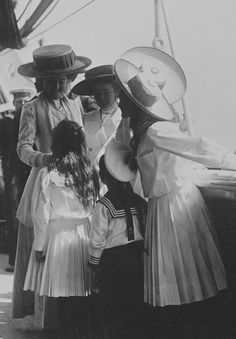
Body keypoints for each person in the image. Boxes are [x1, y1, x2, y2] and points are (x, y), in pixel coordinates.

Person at [114, 46, 236, 336]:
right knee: (174, 274)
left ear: (136, 104)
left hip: (175, 206)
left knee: (183, 273)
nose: (120, 103)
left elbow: (198, 147)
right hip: (161, 205)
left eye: (124, 99)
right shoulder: (141, 133)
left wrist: (231, 161)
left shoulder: (157, 131)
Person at [11, 44, 91, 329]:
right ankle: (46, 320)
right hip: (45, 179)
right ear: (40, 81)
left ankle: (73, 317)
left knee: (70, 249)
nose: (58, 85)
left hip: (75, 182)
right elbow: (22, 147)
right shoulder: (33, 107)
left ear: (70, 79)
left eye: (63, 79)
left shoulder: (76, 103)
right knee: (43, 249)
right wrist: (43, 158)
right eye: (51, 80)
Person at [24, 120, 99, 339]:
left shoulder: (49, 172)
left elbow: (42, 213)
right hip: (83, 234)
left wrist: (39, 245)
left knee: (62, 292)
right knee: (82, 292)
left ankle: (67, 333)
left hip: (58, 236)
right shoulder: (89, 170)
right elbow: (96, 207)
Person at [89, 141, 147, 339]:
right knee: (133, 300)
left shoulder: (104, 205)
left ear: (103, 177)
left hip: (113, 261)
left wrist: (94, 262)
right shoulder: (140, 201)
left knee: (111, 304)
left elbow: (97, 239)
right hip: (136, 257)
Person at [72, 65, 129, 165]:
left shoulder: (126, 120)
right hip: (90, 176)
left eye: (106, 92)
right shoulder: (85, 119)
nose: (101, 97)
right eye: (97, 93)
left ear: (116, 91)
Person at [3, 88, 34, 272]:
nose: (22, 105)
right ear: (14, 103)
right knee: (13, 214)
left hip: (28, 171)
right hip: (11, 173)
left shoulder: (31, 119)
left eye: (25, 101)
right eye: (19, 102)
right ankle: (14, 259)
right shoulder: (7, 121)